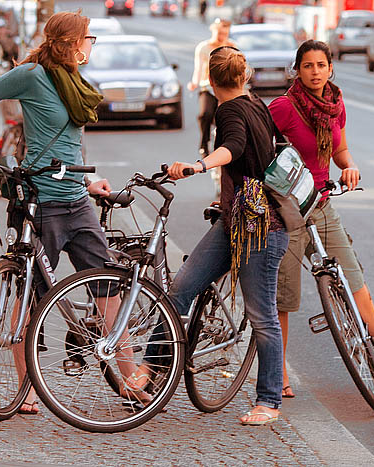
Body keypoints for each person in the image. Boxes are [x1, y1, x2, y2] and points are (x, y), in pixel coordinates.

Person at [0, 11, 147, 414]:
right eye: (87, 38)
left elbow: (67, 143)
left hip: (77, 200)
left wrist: (88, 179)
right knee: (30, 295)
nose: (90, 45)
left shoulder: (75, 83)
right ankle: (25, 387)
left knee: (108, 288)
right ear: (69, 43)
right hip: (41, 203)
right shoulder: (32, 75)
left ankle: (130, 378)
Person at [132, 46, 289, 426]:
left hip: (262, 227)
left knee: (262, 316)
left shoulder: (233, 108)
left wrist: (198, 166)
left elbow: (232, 147)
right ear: (244, 74)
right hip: (235, 219)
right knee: (182, 287)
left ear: (211, 79)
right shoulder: (255, 101)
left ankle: (269, 400)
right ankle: (151, 367)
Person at [268, 40, 374, 398]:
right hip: (285, 212)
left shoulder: (335, 105)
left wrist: (349, 167)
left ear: (330, 68)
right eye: (308, 66)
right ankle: (278, 373)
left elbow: (339, 149)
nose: (315, 71)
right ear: (297, 70)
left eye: (321, 65)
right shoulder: (283, 108)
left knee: (353, 276)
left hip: (320, 205)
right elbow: (255, 145)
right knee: (284, 298)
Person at [187, 18, 234, 159]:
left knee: (229, 117)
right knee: (205, 114)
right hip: (207, 87)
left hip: (226, 88)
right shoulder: (204, 47)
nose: (222, 37)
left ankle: (227, 146)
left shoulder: (232, 46)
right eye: (219, 33)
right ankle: (204, 143)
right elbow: (198, 69)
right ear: (214, 31)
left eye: (225, 33)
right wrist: (194, 82)